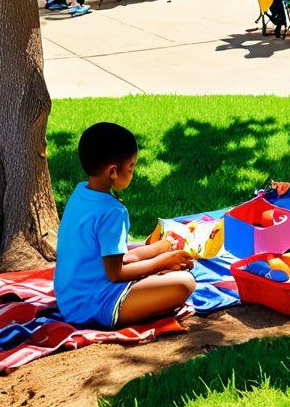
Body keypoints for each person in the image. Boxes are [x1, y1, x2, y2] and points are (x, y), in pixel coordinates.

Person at [54, 123, 196, 329]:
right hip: (94, 305)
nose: (133, 172)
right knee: (185, 283)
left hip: (69, 298)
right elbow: (116, 273)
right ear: (113, 171)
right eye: (131, 166)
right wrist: (162, 262)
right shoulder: (113, 212)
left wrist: (158, 248)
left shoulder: (81, 193)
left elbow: (112, 259)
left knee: (169, 274)